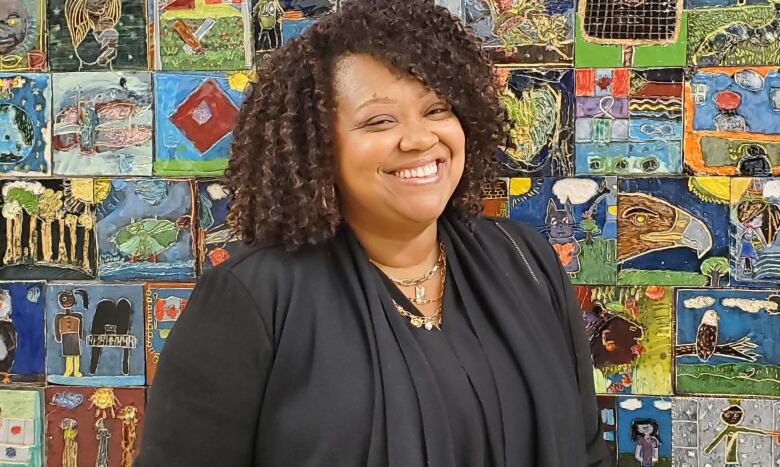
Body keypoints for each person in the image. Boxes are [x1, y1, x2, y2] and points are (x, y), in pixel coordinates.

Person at [136, 0, 611, 465]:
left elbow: (586, 451)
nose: (420, 139)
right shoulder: (253, 299)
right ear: (317, 145)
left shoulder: (523, 261)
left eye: (437, 109)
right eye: (379, 121)